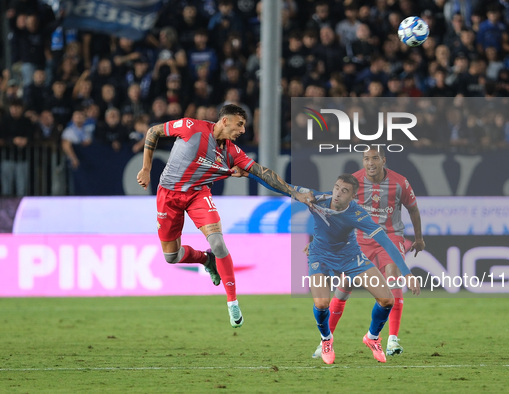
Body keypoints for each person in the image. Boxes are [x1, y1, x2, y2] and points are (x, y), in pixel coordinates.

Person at [136, 104, 312, 328]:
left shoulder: (232, 152)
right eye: (240, 124)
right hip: (168, 196)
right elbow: (153, 131)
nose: (243, 130)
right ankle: (206, 259)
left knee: (218, 242)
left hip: (198, 195)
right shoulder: (192, 127)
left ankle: (232, 303)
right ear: (225, 121)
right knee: (171, 257)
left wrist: (293, 192)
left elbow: (261, 172)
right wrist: (146, 168)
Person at [245, 172, 420, 364]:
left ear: (353, 197)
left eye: (344, 191)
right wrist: (250, 173)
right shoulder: (316, 198)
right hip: (320, 256)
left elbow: (386, 242)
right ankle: (326, 339)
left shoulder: (358, 214)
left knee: (387, 299)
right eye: (337, 187)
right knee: (321, 304)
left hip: (351, 257)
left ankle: (372, 337)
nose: (338, 193)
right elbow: (281, 185)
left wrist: (407, 273)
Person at [315, 148, 426, 358]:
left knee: (392, 279)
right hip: (360, 239)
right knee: (344, 287)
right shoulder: (354, 182)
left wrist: (418, 238)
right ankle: (326, 340)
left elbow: (413, 208)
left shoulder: (400, 182)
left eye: (375, 158)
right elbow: (336, 208)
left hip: (390, 236)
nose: (370, 162)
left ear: (383, 160)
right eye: (366, 159)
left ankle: (392, 339)